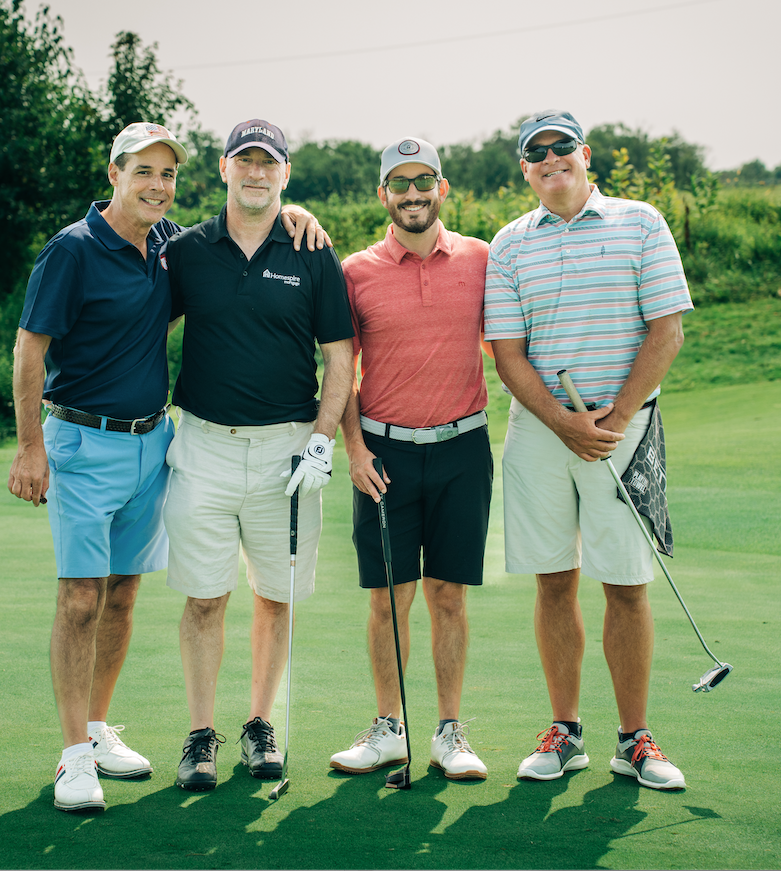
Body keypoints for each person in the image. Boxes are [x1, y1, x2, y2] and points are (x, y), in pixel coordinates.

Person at [8, 121, 327, 812]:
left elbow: (249, 229)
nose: (157, 185)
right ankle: (72, 759)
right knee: (80, 597)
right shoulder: (72, 248)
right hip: (81, 442)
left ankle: (95, 731)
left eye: (166, 174)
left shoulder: (166, 247)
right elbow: (30, 346)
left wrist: (292, 213)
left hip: (153, 443)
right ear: (114, 173)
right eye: (143, 171)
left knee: (122, 593)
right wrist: (30, 444)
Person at [484, 109, 693, 790]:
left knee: (626, 585)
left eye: (561, 147)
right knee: (553, 579)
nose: (551, 159)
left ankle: (634, 737)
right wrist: (562, 423)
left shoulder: (642, 221)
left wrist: (615, 417)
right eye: (535, 152)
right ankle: (564, 730)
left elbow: (666, 331)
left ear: (585, 153)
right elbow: (507, 354)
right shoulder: (511, 243)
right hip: (541, 433)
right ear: (525, 168)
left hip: (622, 431)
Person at [162, 119, 354, 792]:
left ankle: (258, 725)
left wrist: (324, 438)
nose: (255, 172)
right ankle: (199, 734)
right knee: (205, 598)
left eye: (266, 163)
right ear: (222, 169)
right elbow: (140, 320)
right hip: (204, 444)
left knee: (276, 599)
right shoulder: (186, 250)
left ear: (284, 172)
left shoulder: (312, 249)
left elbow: (340, 358)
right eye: (243, 160)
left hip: (288, 449)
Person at [329, 137, 493, 781]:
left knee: (448, 594)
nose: (413, 193)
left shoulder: (483, 258)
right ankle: (389, 728)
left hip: (463, 448)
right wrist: (354, 447)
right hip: (384, 454)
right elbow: (341, 366)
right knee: (389, 598)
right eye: (400, 183)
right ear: (384, 196)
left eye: (424, 180)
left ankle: (449, 732)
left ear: (442, 188)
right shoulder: (355, 271)